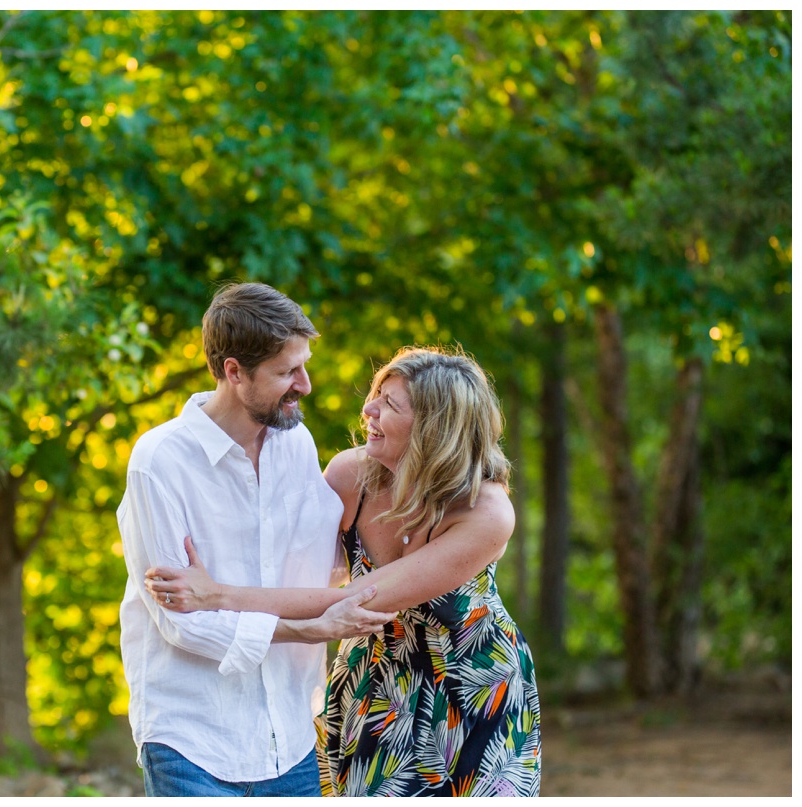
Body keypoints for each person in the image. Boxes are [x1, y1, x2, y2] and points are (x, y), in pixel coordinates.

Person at [145, 345, 542, 797]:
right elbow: (289, 565)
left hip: (473, 688)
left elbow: (360, 596)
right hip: (373, 686)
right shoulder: (352, 475)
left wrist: (216, 595)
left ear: (435, 429)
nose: (367, 409)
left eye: (389, 405)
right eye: (376, 395)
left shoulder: (486, 511)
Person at [117, 282, 395, 797]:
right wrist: (310, 628)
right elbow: (184, 625)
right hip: (191, 737)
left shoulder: (296, 444)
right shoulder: (159, 463)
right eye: (287, 372)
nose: (305, 385)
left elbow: (330, 562)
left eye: (304, 365)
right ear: (233, 372)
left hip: (289, 732)